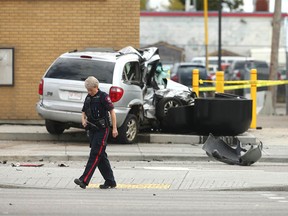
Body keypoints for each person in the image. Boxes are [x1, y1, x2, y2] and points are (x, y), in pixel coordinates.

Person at [74, 76, 118, 189]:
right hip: (92, 130)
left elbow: (112, 112)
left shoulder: (104, 97)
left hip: (103, 130)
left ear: (96, 87)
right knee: (101, 155)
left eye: (91, 90)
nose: (89, 92)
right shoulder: (88, 98)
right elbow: (83, 112)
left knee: (95, 154)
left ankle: (84, 180)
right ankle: (110, 181)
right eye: (88, 90)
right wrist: (83, 120)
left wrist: (114, 128)